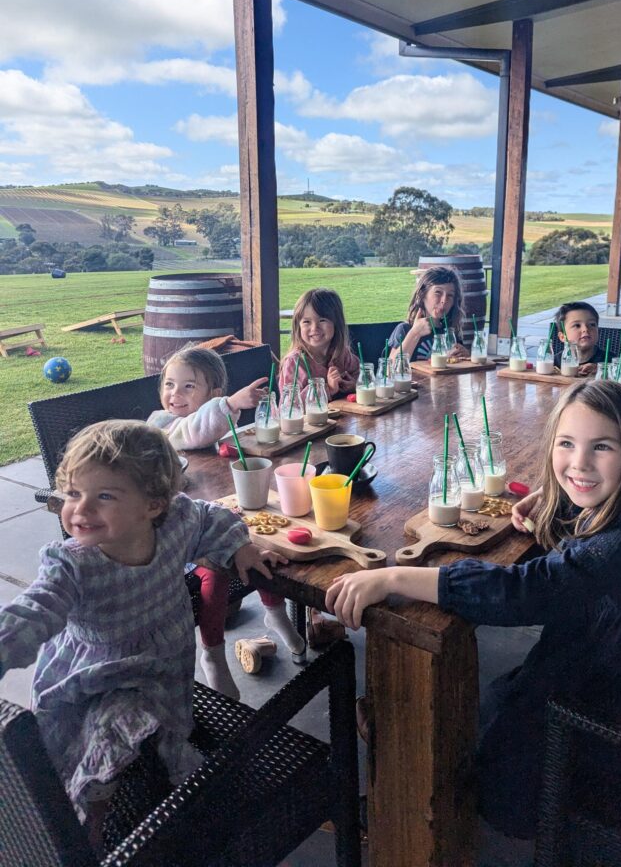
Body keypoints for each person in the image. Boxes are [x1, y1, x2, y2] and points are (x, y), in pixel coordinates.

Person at [326, 380, 621, 839]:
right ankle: (416, 745)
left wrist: (391, 576)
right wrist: (558, 501)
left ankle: (407, 796)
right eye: (567, 445)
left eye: (602, 447)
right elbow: (580, 547)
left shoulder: (618, 549)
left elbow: (517, 590)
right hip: (613, 679)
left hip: (598, 718)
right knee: (492, 703)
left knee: (494, 771)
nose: (579, 462)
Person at [0, 420, 284, 848]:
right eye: (73, 494)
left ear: (153, 504)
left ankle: (144, 795)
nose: (80, 510)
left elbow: (213, 517)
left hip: (163, 667)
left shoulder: (177, 524)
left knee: (150, 747)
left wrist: (240, 546)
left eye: (104, 496)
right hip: (95, 680)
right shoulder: (73, 565)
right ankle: (92, 834)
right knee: (110, 741)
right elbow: (36, 607)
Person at [148, 345, 305, 698]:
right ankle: (213, 653)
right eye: (170, 384)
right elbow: (191, 432)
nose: (175, 394)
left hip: (218, 514)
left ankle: (276, 614)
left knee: (261, 542)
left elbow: (212, 436)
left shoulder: (213, 421)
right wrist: (230, 405)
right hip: (176, 540)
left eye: (189, 387)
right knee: (218, 563)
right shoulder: (161, 425)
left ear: (210, 395)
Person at [278, 288, 359, 401]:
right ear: (298, 326)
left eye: (322, 320)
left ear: (336, 323)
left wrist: (353, 384)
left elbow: (359, 373)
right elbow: (291, 405)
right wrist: (328, 389)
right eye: (307, 322)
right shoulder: (295, 362)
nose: (315, 328)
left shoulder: (342, 354)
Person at [387, 265, 469, 362]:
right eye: (438, 292)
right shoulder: (405, 329)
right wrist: (415, 333)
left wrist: (466, 356)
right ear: (422, 294)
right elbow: (390, 371)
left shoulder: (450, 333)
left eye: (450, 295)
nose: (444, 300)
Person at [553, 301, 603, 374]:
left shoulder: (611, 362)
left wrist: (601, 369)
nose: (585, 329)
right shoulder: (554, 363)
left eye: (592, 324)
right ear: (562, 337)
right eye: (577, 325)